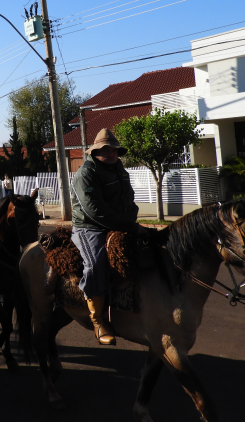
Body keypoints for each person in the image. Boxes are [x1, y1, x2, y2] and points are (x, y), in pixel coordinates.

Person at [70, 128, 141, 346]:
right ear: (95, 152)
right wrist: (126, 225)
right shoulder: (86, 174)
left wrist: (131, 221)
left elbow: (129, 200)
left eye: (114, 150)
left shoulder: (120, 170)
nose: (111, 153)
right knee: (95, 264)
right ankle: (98, 320)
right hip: (89, 227)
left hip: (120, 223)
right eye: (105, 150)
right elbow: (94, 211)